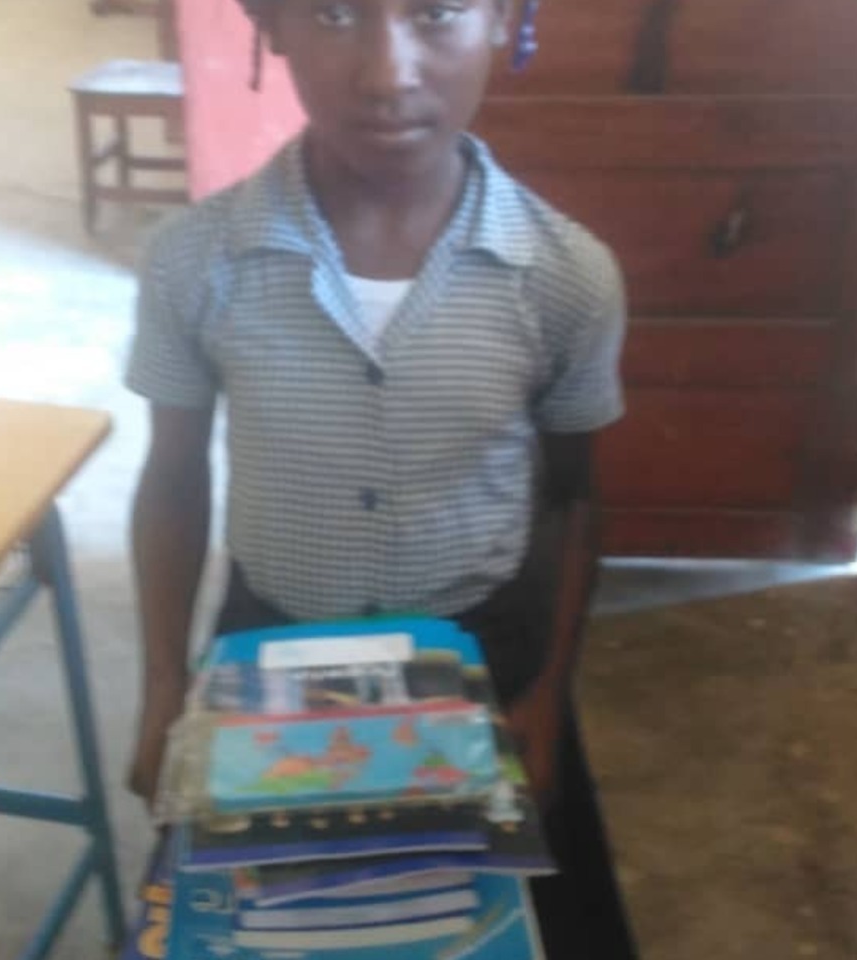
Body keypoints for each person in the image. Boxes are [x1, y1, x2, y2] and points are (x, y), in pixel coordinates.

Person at [124, 1, 638, 956]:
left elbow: (573, 498)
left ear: (504, 20)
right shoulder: (196, 261)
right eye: (334, 12)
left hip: (490, 657)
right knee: (259, 927)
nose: (387, 72)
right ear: (268, 22)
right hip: (267, 648)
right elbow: (172, 480)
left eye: (437, 10)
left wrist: (547, 694)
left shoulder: (565, 274)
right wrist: (163, 685)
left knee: (496, 928)